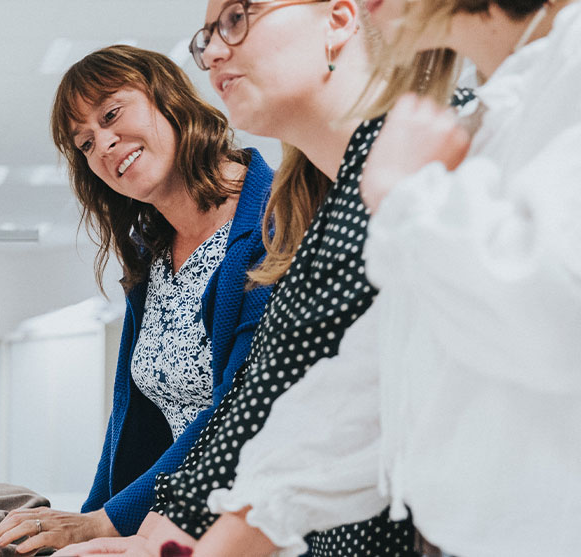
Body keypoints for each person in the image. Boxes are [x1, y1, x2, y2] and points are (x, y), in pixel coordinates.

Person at [184, 0, 581, 555]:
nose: (217, 52)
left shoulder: (556, 78)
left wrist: (405, 196)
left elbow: (556, 323)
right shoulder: (500, 107)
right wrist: (225, 537)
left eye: (237, 17)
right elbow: (375, 380)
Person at [61, 0, 447, 555]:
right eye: (85, 143)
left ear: (340, 20)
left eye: (239, 18)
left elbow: (257, 408)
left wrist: (136, 529)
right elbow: (290, 407)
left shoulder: (304, 211)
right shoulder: (315, 196)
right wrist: (133, 531)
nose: (214, 51)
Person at [0, 45, 274, 555]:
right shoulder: (153, 254)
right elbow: (132, 420)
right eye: (85, 143)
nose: (104, 144)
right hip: (183, 524)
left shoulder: (272, 225)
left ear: (168, 97)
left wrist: (104, 522)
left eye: (112, 114)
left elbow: (238, 413)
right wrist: (77, 529)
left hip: (266, 526)